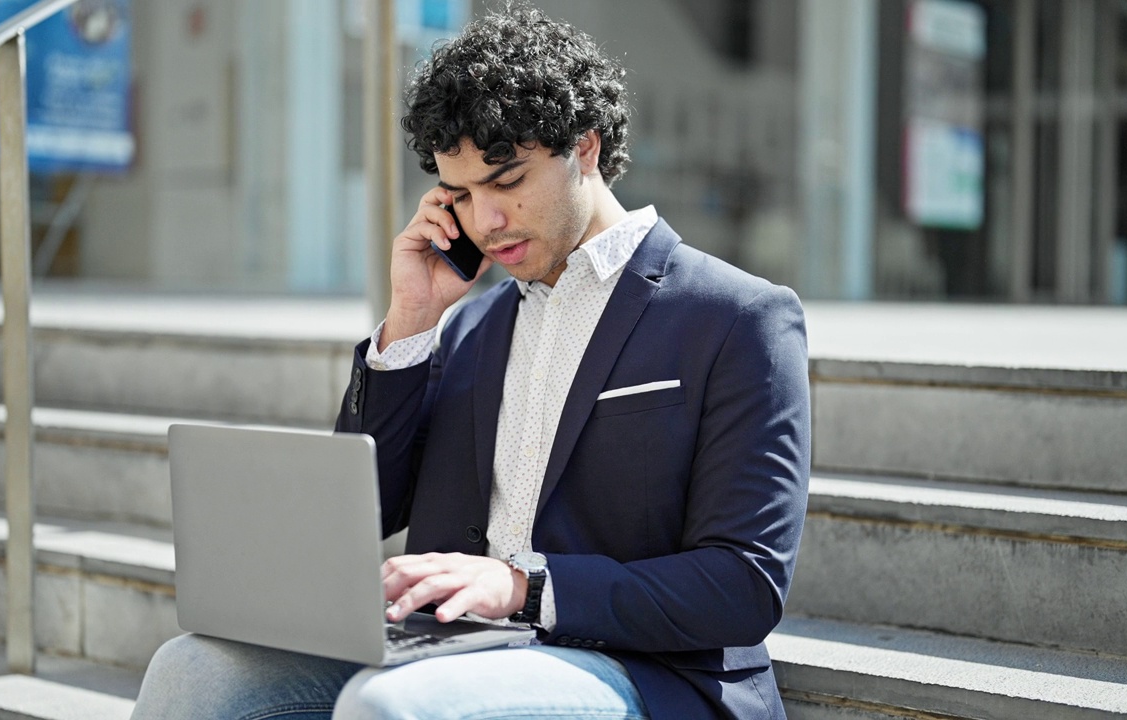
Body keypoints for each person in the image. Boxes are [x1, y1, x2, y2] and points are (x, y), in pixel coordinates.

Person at [131, 4, 809, 719]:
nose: (485, 222)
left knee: (388, 705)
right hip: (454, 646)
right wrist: (414, 319)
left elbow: (744, 585)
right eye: (460, 195)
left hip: (640, 671)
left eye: (507, 182)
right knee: (193, 669)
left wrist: (524, 587)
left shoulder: (737, 318)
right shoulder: (468, 324)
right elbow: (373, 511)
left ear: (584, 147)